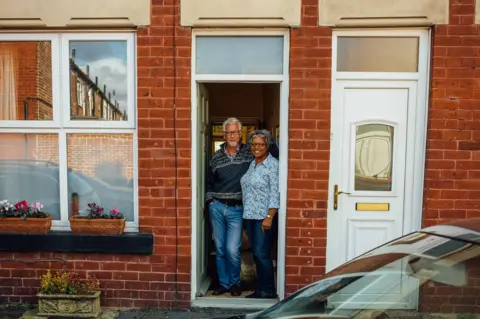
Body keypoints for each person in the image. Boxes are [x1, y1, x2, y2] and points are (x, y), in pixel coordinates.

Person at [205, 117, 251, 296]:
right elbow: (209, 183)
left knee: (233, 249)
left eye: (236, 132)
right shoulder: (215, 157)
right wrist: (210, 201)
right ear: (224, 135)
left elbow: (272, 148)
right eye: (229, 132)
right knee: (220, 248)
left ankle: (235, 283)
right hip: (217, 207)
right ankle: (224, 283)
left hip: (237, 209)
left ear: (240, 134)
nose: (232, 135)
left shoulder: (248, 152)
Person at [240, 129, 279, 299]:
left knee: (262, 254)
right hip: (250, 216)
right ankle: (261, 288)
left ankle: (267, 291)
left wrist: (269, 217)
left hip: (263, 218)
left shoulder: (273, 165)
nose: (257, 147)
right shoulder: (253, 163)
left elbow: (275, 193)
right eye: (254, 144)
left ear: (267, 145)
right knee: (257, 253)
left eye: (261, 144)